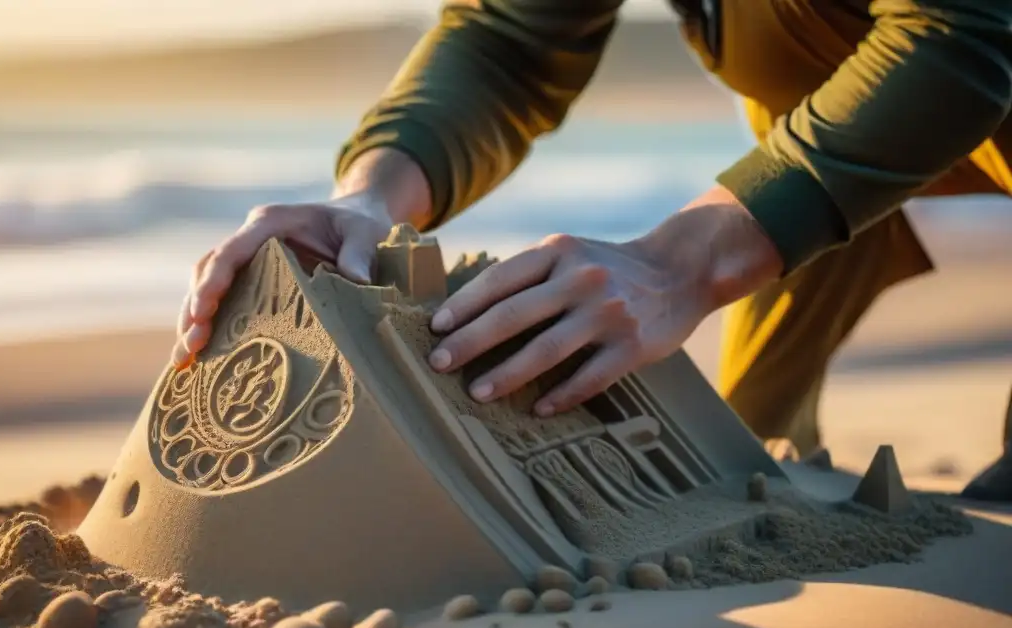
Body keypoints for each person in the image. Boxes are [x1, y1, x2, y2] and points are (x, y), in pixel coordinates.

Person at [170, 0, 1012, 501]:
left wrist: (678, 263)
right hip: (835, 163)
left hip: (949, 87)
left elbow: (962, 29)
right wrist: (368, 196)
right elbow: (509, 42)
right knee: (739, 472)